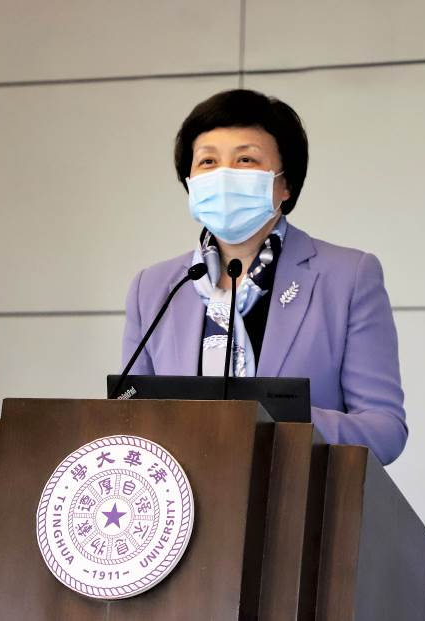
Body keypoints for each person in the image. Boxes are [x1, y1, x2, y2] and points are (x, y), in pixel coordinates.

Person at [121, 89, 407, 465]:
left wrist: (271, 421)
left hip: (294, 495)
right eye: (207, 161)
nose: (223, 175)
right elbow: (127, 417)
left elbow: (384, 431)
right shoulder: (154, 288)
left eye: (246, 159)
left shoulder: (348, 277)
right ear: (189, 182)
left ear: (285, 184)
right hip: (184, 497)